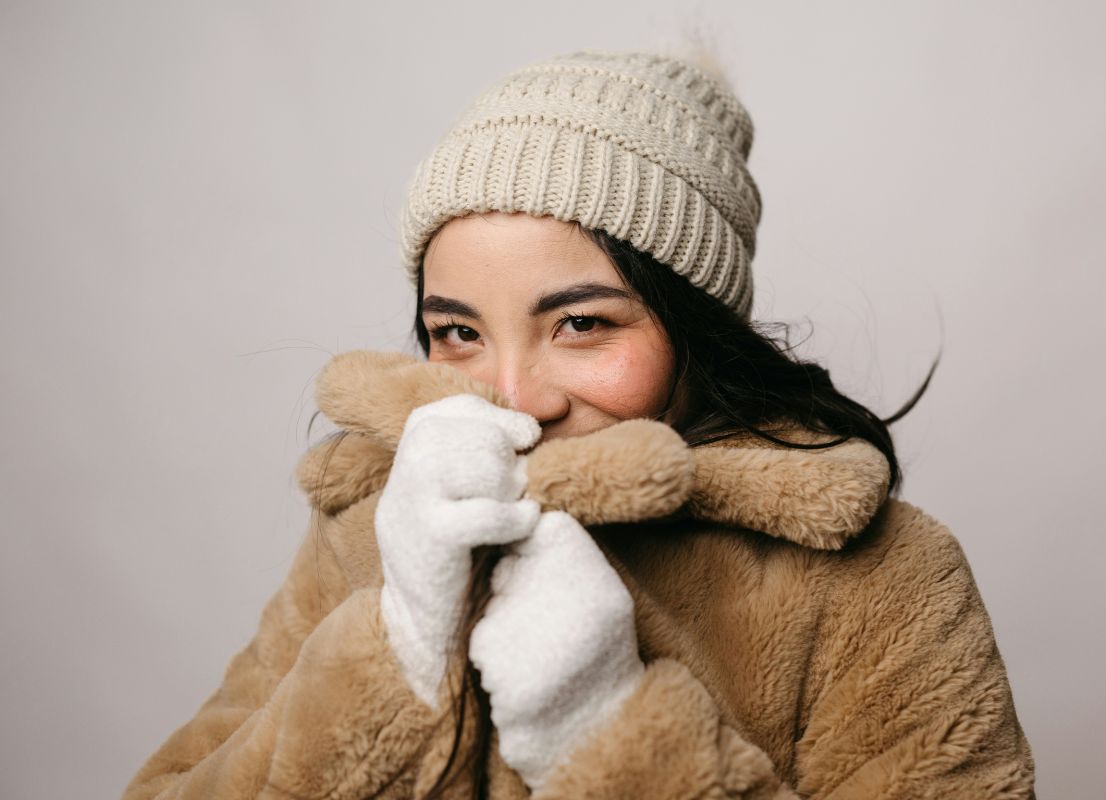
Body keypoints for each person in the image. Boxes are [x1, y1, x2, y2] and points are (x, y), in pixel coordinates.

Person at [124, 50, 1036, 799]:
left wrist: (602, 728)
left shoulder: (879, 579)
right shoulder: (369, 533)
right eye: (459, 333)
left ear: (698, 329)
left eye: (582, 323)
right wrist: (397, 649)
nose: (515, 398)